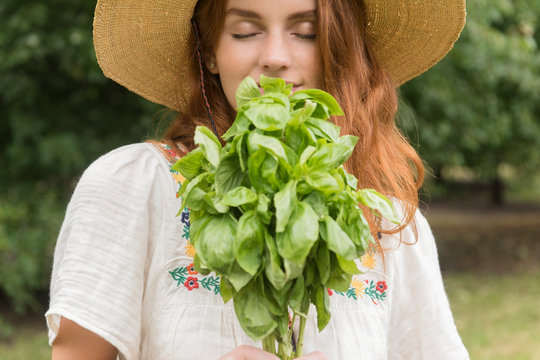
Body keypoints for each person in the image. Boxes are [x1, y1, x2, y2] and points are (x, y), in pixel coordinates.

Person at [46, 0, 469, 359]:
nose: (276, 56)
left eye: (306, 32)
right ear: (210, 50)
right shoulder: (136, 185)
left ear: (340, 46)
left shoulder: (389, 221)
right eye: (246, 32)